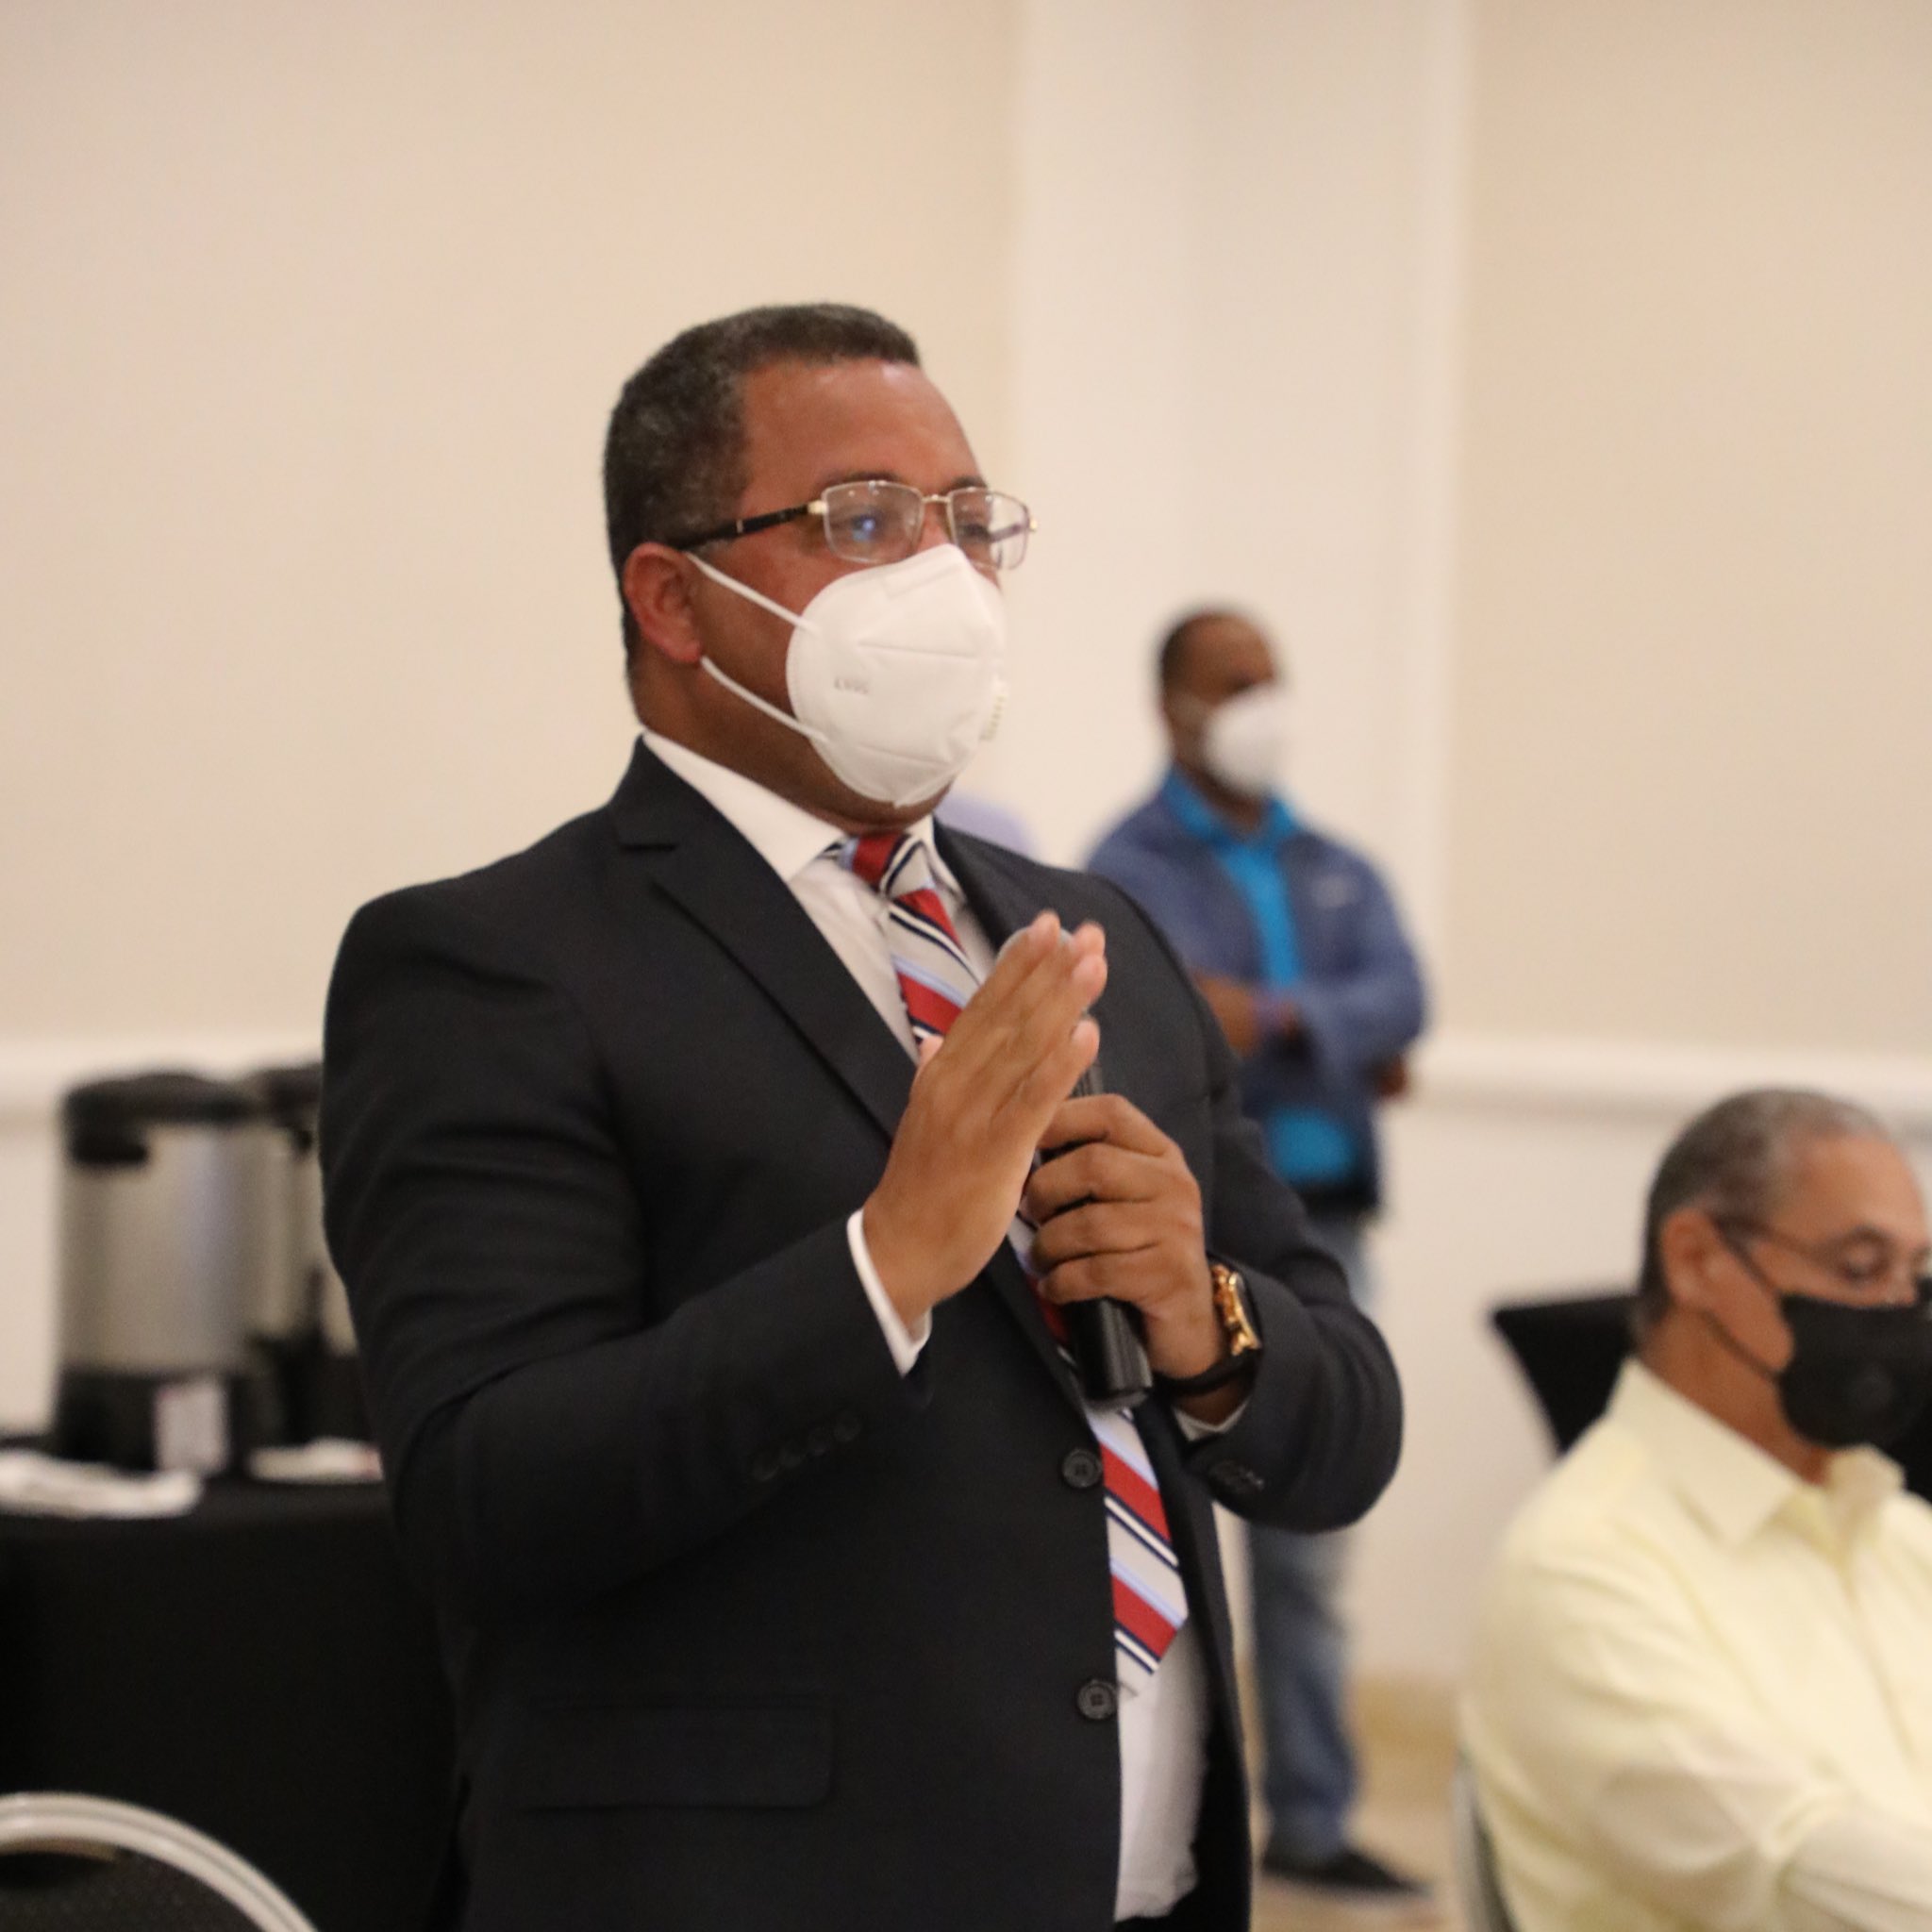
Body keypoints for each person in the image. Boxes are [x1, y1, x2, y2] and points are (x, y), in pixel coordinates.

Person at [320, 304, 1404, 1932]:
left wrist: (1207, 1322)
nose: (944, 576)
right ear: (672, 599)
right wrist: (882, 1265)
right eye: (867, 521)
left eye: (968, 521)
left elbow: (1347, 1429)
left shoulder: (1091, 932)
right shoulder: (494, 964)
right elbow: (488, 1497)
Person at [1087, 609, 1430, 1911]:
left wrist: (1277, 1017)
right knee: (1171, 1534)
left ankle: (1314, 1821)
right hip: (1180, 1240)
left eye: (1270, 677)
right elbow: (1172, 1026)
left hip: (1325, 1230)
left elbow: (1403, 998)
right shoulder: (1128, 868)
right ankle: (1163, 1825)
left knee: (1311, 1552)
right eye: (1233, 682)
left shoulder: (1333, 863)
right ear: (1171, 705)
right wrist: (1338, 1044)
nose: (1260, 701)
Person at [1464, 1089, 1932, 1932]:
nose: (1897, 1313)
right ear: (1696, 1260)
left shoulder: (1900, 1537)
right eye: (1861, 1270)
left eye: (1916, 1278)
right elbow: (1789, 1872)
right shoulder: (1580, 1569)